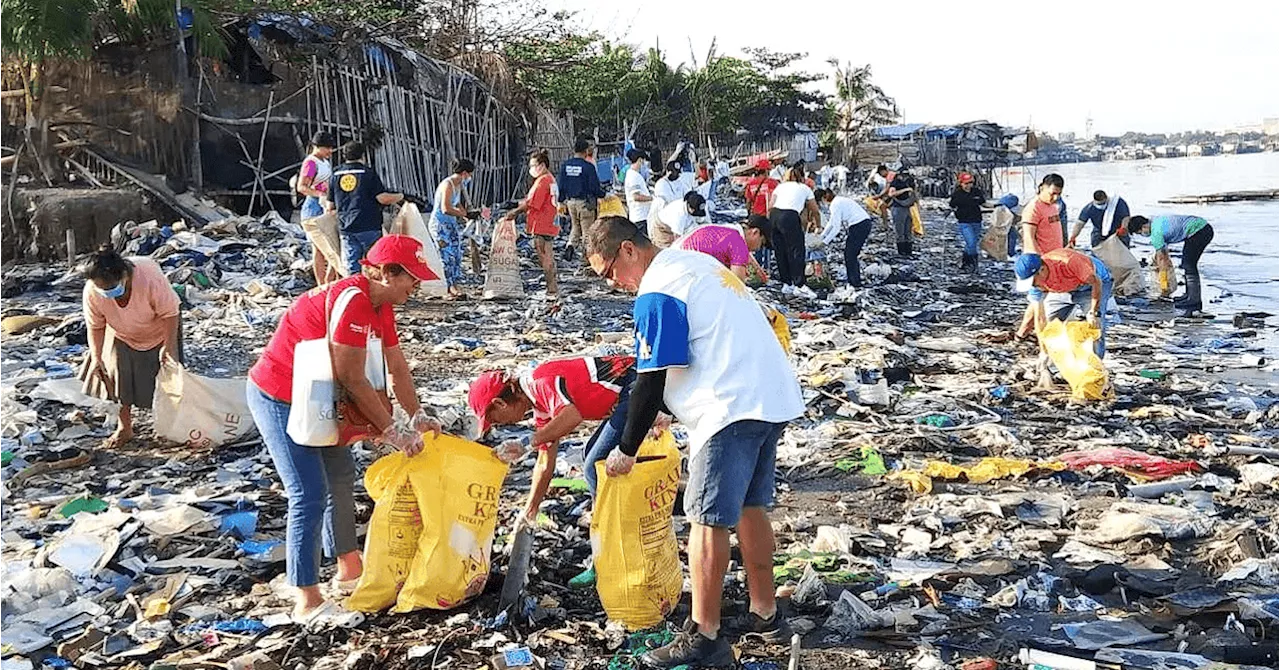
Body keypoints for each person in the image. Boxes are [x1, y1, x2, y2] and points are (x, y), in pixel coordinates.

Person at [585, 217, 805, 668]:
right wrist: (666, 410)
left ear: (628, 250)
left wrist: (625, 449)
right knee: (748, 507)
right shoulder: (693, 264)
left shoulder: (658, 289)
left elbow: (650, 379)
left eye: (609, 273)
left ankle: (705, 636)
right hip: (771, 394)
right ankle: (765, 612)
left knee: (706, 519)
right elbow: (698, 347)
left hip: (729, 406)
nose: (615, 285)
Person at [245, 234, 442, 623]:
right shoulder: (353, 302)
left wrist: (416, 413)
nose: (415, 286)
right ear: (386, 273)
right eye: (411, 278)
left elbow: (396, 365)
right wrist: (391, 430)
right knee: (308, 492)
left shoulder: (380, 303)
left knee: (340, 476)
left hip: (321, 399)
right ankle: (306, 594)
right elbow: (351, 376)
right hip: (281, 397)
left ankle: (349, 567)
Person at [468, 354, 641, 586]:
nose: (501, 425)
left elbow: (572, 416)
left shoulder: (540, 382)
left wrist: (527, 442)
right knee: (593, 457)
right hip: (626, 393)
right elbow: (545, 459)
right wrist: (530, 511)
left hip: (635, 386)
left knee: (594, 465)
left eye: (496, 419)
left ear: (500, 404)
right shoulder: (539, 405)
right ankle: (609, 552)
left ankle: (615, 555)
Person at [78, 247, 182, 449]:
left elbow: (170, 313)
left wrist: (169, 347)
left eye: (112, 287)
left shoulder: (149, 277)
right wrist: (97, 357)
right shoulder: (92, 292)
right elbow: (96, 326)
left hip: (160, 328)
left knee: (168, 378)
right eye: (103, 289)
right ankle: (124, 427)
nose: (109, 293)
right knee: (117, 377)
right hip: (120, 332)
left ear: (124, 275)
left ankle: (172, 425)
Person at [1014, 249, 1113, 358]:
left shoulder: (1069, 262)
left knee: (1095, 327)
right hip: (1062, 288)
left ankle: (1095, 368)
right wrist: (1043, 352)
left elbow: (1096, 281)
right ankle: (1053, 363)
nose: (1033, 286)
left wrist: (1094, 312)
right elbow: (1040, 318)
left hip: (1091, 285)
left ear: (1042, 270)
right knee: (1051, 325)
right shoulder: (1036, 285)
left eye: (1033, 282)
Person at [328, 141, 403, 275]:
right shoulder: (368, 173)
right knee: (374, 265)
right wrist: (400, 196)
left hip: (346, 227)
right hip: (369, 225)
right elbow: (382, 198)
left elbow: (330, 206)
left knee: (352, 268)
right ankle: (374, 293)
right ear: (363, 156)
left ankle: (355, 291)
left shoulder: (335, 175)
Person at [1125, 214, 1214, 315]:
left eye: (1140, 232)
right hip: (1203, 227)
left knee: (1189, 265)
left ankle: (1194, 300)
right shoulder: (1157, 221)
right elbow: (1164, 254)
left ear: (1144, 226)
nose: (1142, 234)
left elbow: (1162, 258)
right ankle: (1188, 295)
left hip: (1199, 232)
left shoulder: (1156, 233)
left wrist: (1163, 281)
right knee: (1187, 264)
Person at [502, 150, 558, 297]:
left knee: (544, 257)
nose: (531, 169)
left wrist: (514, 212)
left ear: (542, 165)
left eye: (533, 165)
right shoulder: (550, 179)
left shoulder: (542, 181)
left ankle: (551, 288)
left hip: (541, 223)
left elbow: (532, 203)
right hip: (549, 222)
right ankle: (552, 287)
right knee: (548, 256)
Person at [1015, 174, 1066, 338]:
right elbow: (1028, 238)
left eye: (1059, 194)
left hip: (1055, 259)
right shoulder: (1033, 208)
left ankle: (1022, 333)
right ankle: (1035, 335)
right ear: (1042, 187)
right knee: (1038, 301)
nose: (1055, 197)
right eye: (1052, 193)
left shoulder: (1053, 206)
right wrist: (1038, 264)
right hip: (1041, 264)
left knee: (1038, 300)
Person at [430, 158, 474, 298]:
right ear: (464, 173)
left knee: (456, 254)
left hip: (451, 224)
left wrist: (467, 216)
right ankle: (448, 287)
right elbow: (445, 208)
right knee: (446, 256)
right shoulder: (447, 184)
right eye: (469, 174)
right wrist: (463, 214)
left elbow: (458, 204)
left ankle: (454, 285)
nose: (469, 178)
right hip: (440, 225)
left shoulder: (458, 185)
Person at [557, 138, 606, 263]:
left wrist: (561, 201)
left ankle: (570, 246)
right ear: (586, 151)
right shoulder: (588, 167)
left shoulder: (566, 165)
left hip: (570, 202)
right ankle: (586, 259)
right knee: (587, 232)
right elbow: (594, 187)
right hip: (585, 203)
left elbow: (561, 185)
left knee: (575, 227)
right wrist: (603, 194)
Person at [296, 132, 336, 284]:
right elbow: (302, 187)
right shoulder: (311, 162)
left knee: (331, 247)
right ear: (317, 147)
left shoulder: (325, 162)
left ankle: (329, 280)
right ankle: (322, 284)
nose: (330, 151)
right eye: (327, 148)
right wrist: (320, 194)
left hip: (325, 206)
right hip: (314, 207)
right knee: (319, 249)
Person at [768, 168, 819, 287]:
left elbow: (770, 205)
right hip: (789, 216)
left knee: (780, 250)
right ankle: (798, 283)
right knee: (796, 250)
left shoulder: (780, 187)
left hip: (774, 215)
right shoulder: (805, 188)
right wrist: (818, 225)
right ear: (802, 177)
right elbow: (815, 210)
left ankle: (786, 282)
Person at [817, 188, 874, 288]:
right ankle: (854, 280)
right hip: (862, 224)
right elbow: (831, 222)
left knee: (850, 255)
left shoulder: (836, 204)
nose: (822, 204)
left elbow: (836, 228)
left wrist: (824, 242)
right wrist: (822, 236)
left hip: (859, 225)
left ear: (824, 197)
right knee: (850, 254)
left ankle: (855, 283)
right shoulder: (838, 201)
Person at [948, 172, 986, 273]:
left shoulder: (976, 192)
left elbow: (984, 203)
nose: (968, 185)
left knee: (971, 244)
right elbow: (952, 206)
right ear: (961, 183)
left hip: (977, 220)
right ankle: (972, 264)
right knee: (971, 242)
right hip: (964, 221)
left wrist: (997, 206)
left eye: (970, 183)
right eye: (966, 183)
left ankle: (966, 263)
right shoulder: (957, 194)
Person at [887, 170, 918, 257]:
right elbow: (891, 194)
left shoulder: (909, 182)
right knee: (900, 231)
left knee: (908, 230)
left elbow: (914, 194)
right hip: (898, 207)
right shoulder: (895, 183)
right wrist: (905, 190)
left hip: (907, 207)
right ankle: (901, 252)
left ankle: (908, 251)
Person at [624, 148, 653, 227]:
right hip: (640, 217)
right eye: (643, 161)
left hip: (642, 216)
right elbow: (636, 196)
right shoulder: (633, 176)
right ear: (640, 160)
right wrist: (652, 198)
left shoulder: (634, 175)